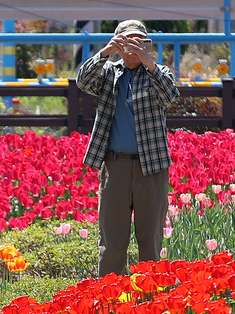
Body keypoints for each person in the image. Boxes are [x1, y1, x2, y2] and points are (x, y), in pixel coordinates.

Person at [77, 20, 179, 276]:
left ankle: (151, 302)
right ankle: (112, 302)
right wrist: (105, 52)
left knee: (150, 245)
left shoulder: (158, 73)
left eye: (137, 41)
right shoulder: (109, 72)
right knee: (112, 244)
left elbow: (171, 96)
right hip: (115, 166)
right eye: (126, 40)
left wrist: (148, 61)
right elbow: (82, 81)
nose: (131, 46)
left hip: (151, 169)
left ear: (147, 44)